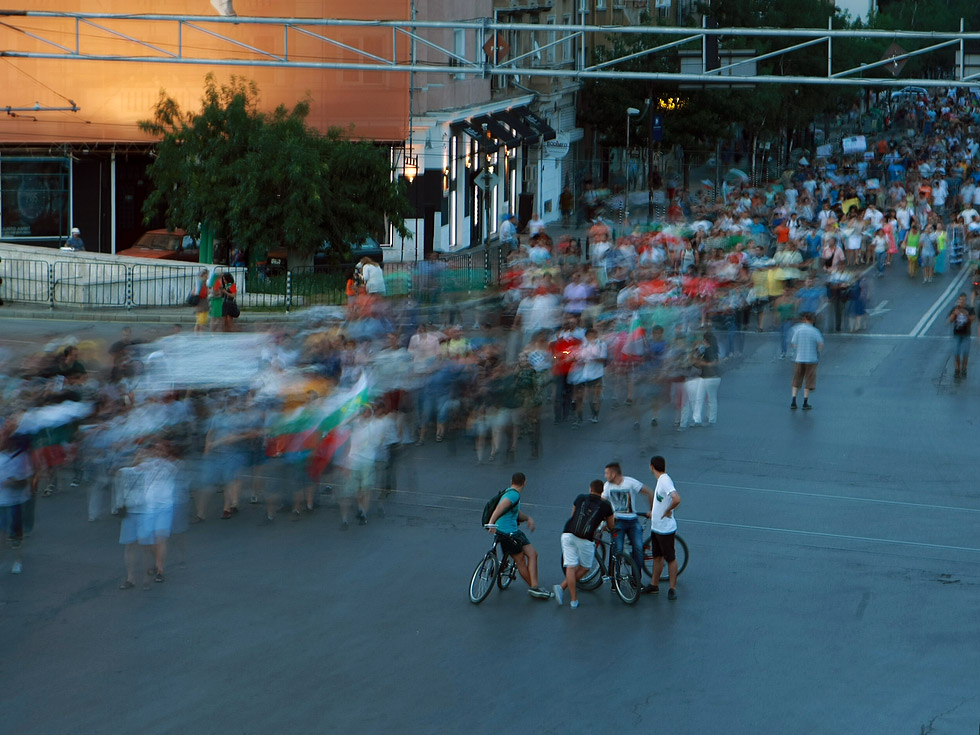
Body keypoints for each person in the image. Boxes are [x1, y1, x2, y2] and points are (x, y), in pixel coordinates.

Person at [486, 472, 550, 599]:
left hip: (515, 531)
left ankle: (535, 585)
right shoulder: (513, 495)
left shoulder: (510, 493)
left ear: (511, 481)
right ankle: (534, 588)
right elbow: (500, 507)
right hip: (507, 533)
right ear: (524, 482)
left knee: (533, 554)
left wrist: (528, 518)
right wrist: (491, 523)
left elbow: (515, 512)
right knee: (520, 560)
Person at [553, 479, 614, 608]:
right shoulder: (606, 506)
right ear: (602, 491)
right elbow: (611, 525)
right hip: (585, 539)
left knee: (570, 566)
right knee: (585, 567)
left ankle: (573, 600)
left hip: (568, 533)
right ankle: (562, 588)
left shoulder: (580, 498)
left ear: (590, 489)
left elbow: (573, 515)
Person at [601, 462, 654, 580]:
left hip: (632, 521)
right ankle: (616, 580)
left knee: (638, 549)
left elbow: (649, 492)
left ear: (614, 474)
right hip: (618, 521)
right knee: (618, 550)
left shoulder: (630, 482)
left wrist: (651, 510)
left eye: (607, 473)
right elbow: (602, 502)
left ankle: (636, 580)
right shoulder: (607, 486)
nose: (605, 476)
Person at [644, 455, 682, 599]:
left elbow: (676, 498)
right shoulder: (661, 480)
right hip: (657, 527)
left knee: (670, 558)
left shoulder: (665, 481)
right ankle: (654, 584)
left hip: (665, 529)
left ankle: (672, 588)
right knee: (657, 557)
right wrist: (654, 512)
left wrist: (668, 510)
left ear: (652, 466)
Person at [790, 311, 824, 410]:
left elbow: (794, 344)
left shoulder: (798, 330)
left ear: (804, 319)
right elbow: (820, 344)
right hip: (811, 359)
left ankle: (793, 401)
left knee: (797, 379)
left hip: (799, 358)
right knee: (808, 380)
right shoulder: (815, 331)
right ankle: (805, 402)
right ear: (812, 320)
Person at [947, 293, 975, 379]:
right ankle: (957, 369)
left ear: (965, 300)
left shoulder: (970, 309)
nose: (962, 301)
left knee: (965, 353)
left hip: (966, 334)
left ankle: (964, 369)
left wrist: (966, 315)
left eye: (963, 300)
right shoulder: (955, 309)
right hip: (957, 334)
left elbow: (973, 319)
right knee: (956, 353)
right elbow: (949, 321)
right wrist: (954, 314)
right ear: (958, 300)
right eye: (960, 300)